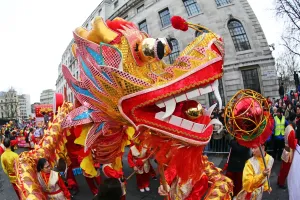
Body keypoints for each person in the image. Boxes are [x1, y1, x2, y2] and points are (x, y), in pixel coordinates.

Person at [277, 112, 298, 189]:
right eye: (296, 119)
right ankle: (281, 183)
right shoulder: (292, 130)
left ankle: (279, 180)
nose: (296, 120)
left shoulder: (287, 127)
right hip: (289, 151)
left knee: (283, 167)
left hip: (286, 148)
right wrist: (296, 140)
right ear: (294, 119)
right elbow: (292, 144)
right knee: (285, 169)